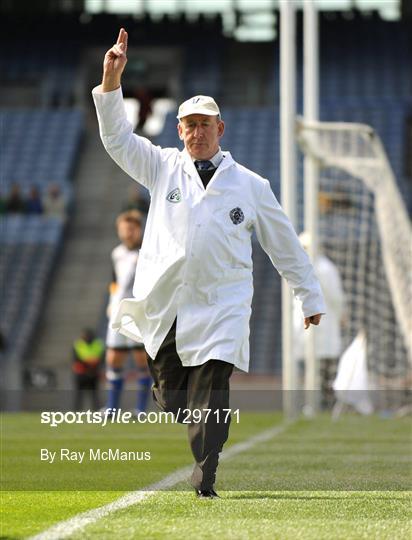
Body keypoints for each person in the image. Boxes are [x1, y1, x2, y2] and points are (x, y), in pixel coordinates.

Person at [92, 28, 325, 499]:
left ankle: (206, 472)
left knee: (213, 392)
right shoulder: (160, 167)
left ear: (221, 129)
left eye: (206, 124)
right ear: (179, 131)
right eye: (189, 125)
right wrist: (111, 82)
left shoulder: (252, 186)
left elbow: (284, 245)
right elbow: (117, 138)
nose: (197, 132)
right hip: (168, 306)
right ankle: (176, 409)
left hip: (223, 306)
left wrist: (309, 295)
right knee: (178, 400)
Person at [104, 210, 151, 415]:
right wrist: (111, 300)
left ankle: (141, 408)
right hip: (117, 312)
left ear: (139, 229)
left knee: (142, 360)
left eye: (131, 229)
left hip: (138, 313)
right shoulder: (117, 253)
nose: (127, 234)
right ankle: (112, 408)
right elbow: (114, 282)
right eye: (123, 230)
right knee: (113, 358)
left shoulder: (148, 253)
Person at [293, 232, 346, 409]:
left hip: (323, 328)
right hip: (307, 330)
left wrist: (340, 314)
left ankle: (324, 405)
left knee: (323, 373)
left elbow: (335, 298)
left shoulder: (324, 268)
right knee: (311, 371)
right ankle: (313, 404)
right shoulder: (302, 268)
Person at [72, 328, 104, 411]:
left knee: (94, 395)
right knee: (79, 395)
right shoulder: (79, 344)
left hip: (93, 372)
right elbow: (76, 358)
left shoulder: (97, 344)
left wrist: (92, 361)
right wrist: (91, 361)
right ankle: (77, 411)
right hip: (82, 372)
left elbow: (101, 357)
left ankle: (96, 411)